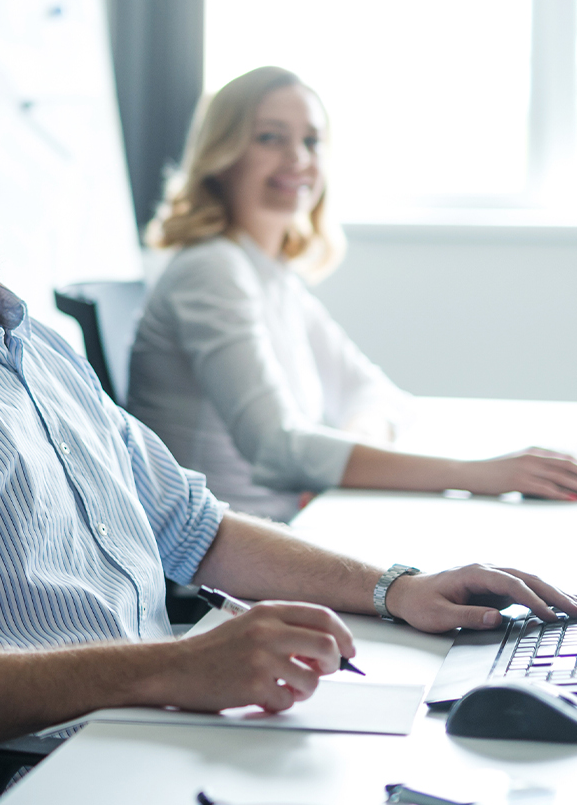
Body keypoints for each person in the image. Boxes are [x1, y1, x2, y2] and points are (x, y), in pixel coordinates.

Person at [0, 38, 576, 758]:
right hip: (58, 775)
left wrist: (396, 588)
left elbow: (194, 529)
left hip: (151, 730)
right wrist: (179, 666)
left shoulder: (35, 347)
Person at [128, 66, 577, 524]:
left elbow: (377, 393)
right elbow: (277, 448)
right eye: (269, 137)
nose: (297, 158)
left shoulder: (270, 274)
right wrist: (478, 474)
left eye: (311, 141)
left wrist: (350, 447)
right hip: (226, 567)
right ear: (222, 155)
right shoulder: (211, 269)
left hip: (288, 529)